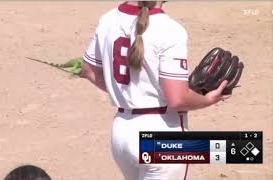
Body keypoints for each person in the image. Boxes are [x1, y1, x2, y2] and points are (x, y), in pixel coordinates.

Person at [80, 1, 230, 179]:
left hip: (121, 131)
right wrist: (208, 99)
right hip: (162, 133)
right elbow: (178, 99)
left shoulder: (109, 19)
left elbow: (88, 70)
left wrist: (126, 93)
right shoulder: (170, 29)